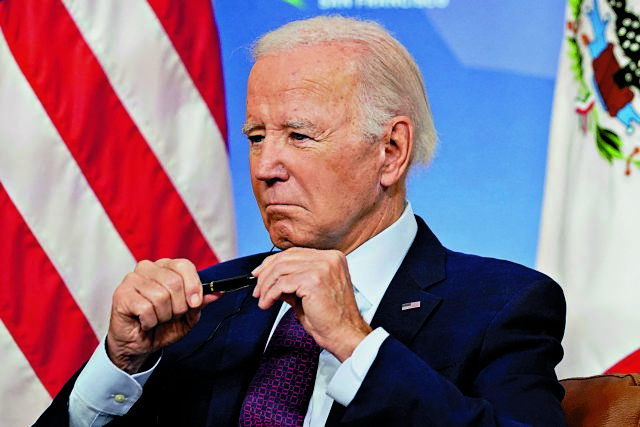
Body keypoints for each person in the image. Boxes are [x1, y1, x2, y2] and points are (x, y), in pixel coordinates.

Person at [36, 15, 567, 426]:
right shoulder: (205, 306)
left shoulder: (503, 305)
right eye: (256, 137)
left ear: (391, 150)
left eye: (299, 135)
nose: (265, 167)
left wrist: (355, 343)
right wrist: (122, 361)